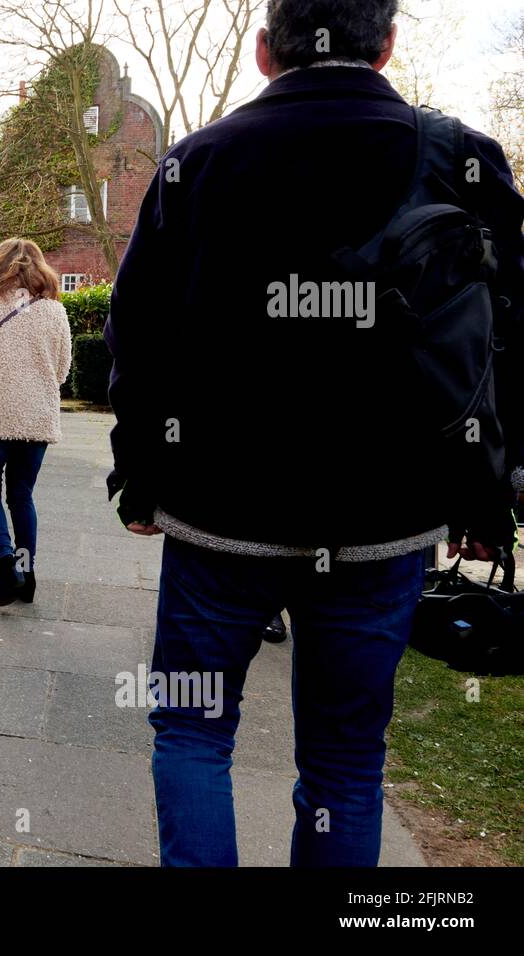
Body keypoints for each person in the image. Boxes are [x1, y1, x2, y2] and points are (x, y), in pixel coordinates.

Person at [106, 0, 522, 867]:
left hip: (220, 517)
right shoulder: (459, 161)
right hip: (386, 520)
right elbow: (504, 335)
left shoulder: (197, 162)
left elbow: (136, 334)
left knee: (191, 732)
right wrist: (491, 490)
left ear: (265, 53)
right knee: (344, 766)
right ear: (388, 44)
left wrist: (140, 475)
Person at [0, 238, 72, 606]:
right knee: (21, 495)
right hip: (35, 418)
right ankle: (28, 574)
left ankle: (7, 566)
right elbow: (63, 371)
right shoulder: (55, 311)